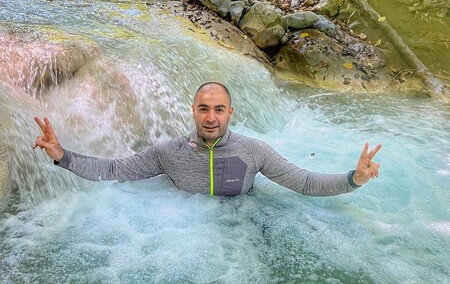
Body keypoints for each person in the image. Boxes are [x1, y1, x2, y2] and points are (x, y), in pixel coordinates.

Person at [33, 82, 382, 197]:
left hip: (243, 223)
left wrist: (354, 179)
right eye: (203, 109)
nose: (211, 117)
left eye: (218, 109)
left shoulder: (253, 150)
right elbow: (112, 170)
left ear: (231, 112)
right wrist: (62, 155)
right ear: (193, 111)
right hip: (188, 232)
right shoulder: (167, 153)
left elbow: (304, 182)